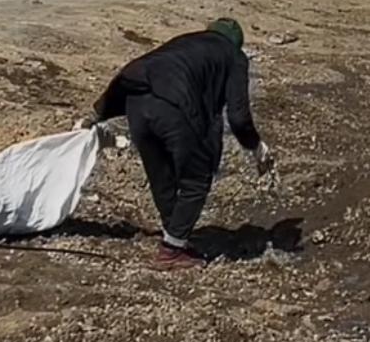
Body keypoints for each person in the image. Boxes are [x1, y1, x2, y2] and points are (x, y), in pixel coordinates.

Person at [89, 17, 273, 269]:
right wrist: (257, 147)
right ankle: (172, 251)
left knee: (161, 174)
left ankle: (173, 235)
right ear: (236, 43)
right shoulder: (233, 55)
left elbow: (145, 68)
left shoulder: (184, 42)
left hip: (135, 101)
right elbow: (238, 117)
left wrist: (98, 116)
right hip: (173, 107)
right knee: (196, 180)